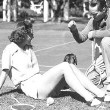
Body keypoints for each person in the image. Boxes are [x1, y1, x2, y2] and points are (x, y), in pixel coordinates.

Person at [0, 20, 110, 107]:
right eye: (31, 32)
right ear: (24, 34)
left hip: (43, 84)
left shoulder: (28, 48)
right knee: (64, 66)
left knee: (70, 65)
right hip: (34, 89)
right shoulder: (9, 50)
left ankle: (100, 94)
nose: (33, 35)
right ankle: (89, 99)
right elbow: (4, 73)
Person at [68, 0, 110, 88]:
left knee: (106, 41)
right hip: (100, 60)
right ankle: (104, 77)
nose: (92, 16)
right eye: (91, 14)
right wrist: (74, 30)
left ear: (104, 9)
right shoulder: (93, 21)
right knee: (87, 83)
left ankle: (107, 81)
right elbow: (81, 38)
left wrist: (94, 33)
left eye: (95, 14)